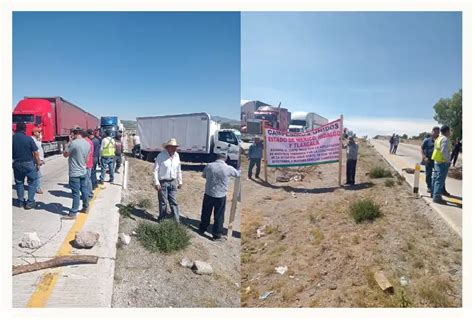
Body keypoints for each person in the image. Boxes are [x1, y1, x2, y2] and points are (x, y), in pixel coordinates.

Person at [199, 152, 240, 241]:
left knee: (206, 212)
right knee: (219, 215)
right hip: (221, 195)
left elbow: (204, 176)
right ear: (225, 158)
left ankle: (202, 228)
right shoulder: (228, 168)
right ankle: (216, 234)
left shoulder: (209, 165)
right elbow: (237, 174)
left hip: (209, 193)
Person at [63, 127, 91, 219]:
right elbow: (87, 159)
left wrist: (69, 143)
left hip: (74, 172)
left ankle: (73, 213)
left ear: (73, 134)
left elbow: (65, 155)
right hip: (83, 171)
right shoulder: (87, 143)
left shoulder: (73, 143)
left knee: (75, 193)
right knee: (84, 190)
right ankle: (86, 207)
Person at [12, 122, 42, 209]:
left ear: (16, 129)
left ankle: (20, 202)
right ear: (25, 129)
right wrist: (38, 162)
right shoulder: (28, 139)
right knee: (32, 182)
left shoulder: (11, 139)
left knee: (19, 182)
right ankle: (30, 202)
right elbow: (36, 152)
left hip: (16, 163)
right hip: (28, 163)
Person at [153, 138, 182, 222]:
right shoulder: (161, 156)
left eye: (175, 147)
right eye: (172, 147)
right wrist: (156, 183)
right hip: (163, 182)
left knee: (173, 201)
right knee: (163, 202)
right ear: (168, 147)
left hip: (173, 182)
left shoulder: (177, 156)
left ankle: (176, 220)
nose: (174, 149)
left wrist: (180, 181)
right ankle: (162, 219)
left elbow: (179, 169)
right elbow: (155, 170)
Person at [431, 125, 451, 204]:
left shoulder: (438, 138)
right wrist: (448, 160)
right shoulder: (445, 139)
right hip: (442, 162)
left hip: (437, 160)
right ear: (447, 131)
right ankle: (437, 197)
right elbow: (444, 151)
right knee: (440, 180)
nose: (450, 133)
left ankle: (433, 194)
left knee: (435, 178)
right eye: (449, 131)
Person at [421, 127, 439, 194]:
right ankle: (429, 187)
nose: (437, 133)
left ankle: (442, 189)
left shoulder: (439, 140)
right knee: (428, 174)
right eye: (435, 132)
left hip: (437, 160)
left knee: (439, 175)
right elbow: (422, 148)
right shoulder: (427, 140)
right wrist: (424, 157)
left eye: (438, 132)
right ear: (432, 132)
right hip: (428, 160)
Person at [32, 127, 45, 194]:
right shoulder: (33, 140)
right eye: (38, 132)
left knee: (38, 174)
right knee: (38, 175)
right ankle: (37, 188)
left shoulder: (37, 140)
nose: (40, 133)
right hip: (36, 160)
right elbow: (35, 152)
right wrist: (38, 161)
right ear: (34, 133)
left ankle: (36, 187)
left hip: (39, 159)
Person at [82, 130, 94, 198]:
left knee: (86, 180)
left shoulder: (86, 142)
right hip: (89, 163)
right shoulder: (89, 141)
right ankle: (89, 193)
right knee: (88, 179)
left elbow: (87, 154)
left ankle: (87, 194)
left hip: (86, 164)